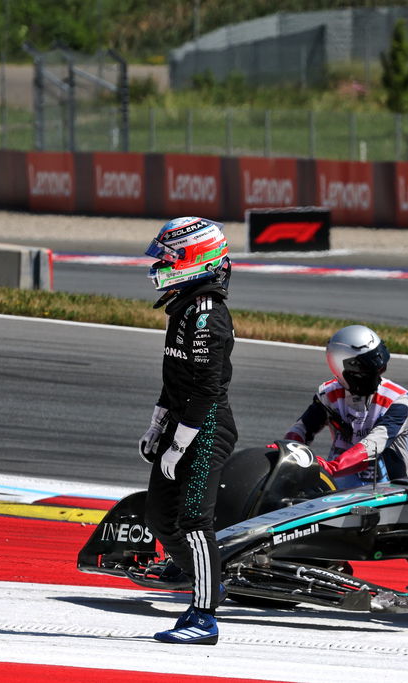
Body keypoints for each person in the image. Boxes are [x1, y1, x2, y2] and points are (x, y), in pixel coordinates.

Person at [137, 216, 237, 645]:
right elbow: (174, 378)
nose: (162, 263)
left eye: (171, 256)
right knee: (161, 518)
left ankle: (205, 616)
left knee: (196, 520)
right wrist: (157, 423)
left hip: (206, 426)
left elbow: (206, 388)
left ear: (196, 258)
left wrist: (180, 442)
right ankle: (208, 577)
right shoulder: (182, 306)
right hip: (182, 422)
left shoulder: (208, 315)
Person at [284, 325, 408, 489]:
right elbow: (301, 429)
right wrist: (287, 453)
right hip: (340, 490)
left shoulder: (397, 400)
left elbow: (372, 445)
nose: (377, 377)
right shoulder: (328, 395)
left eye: (379, 370)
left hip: (397, 492)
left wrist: (332, 467)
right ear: (342, 368)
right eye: (367, 372)